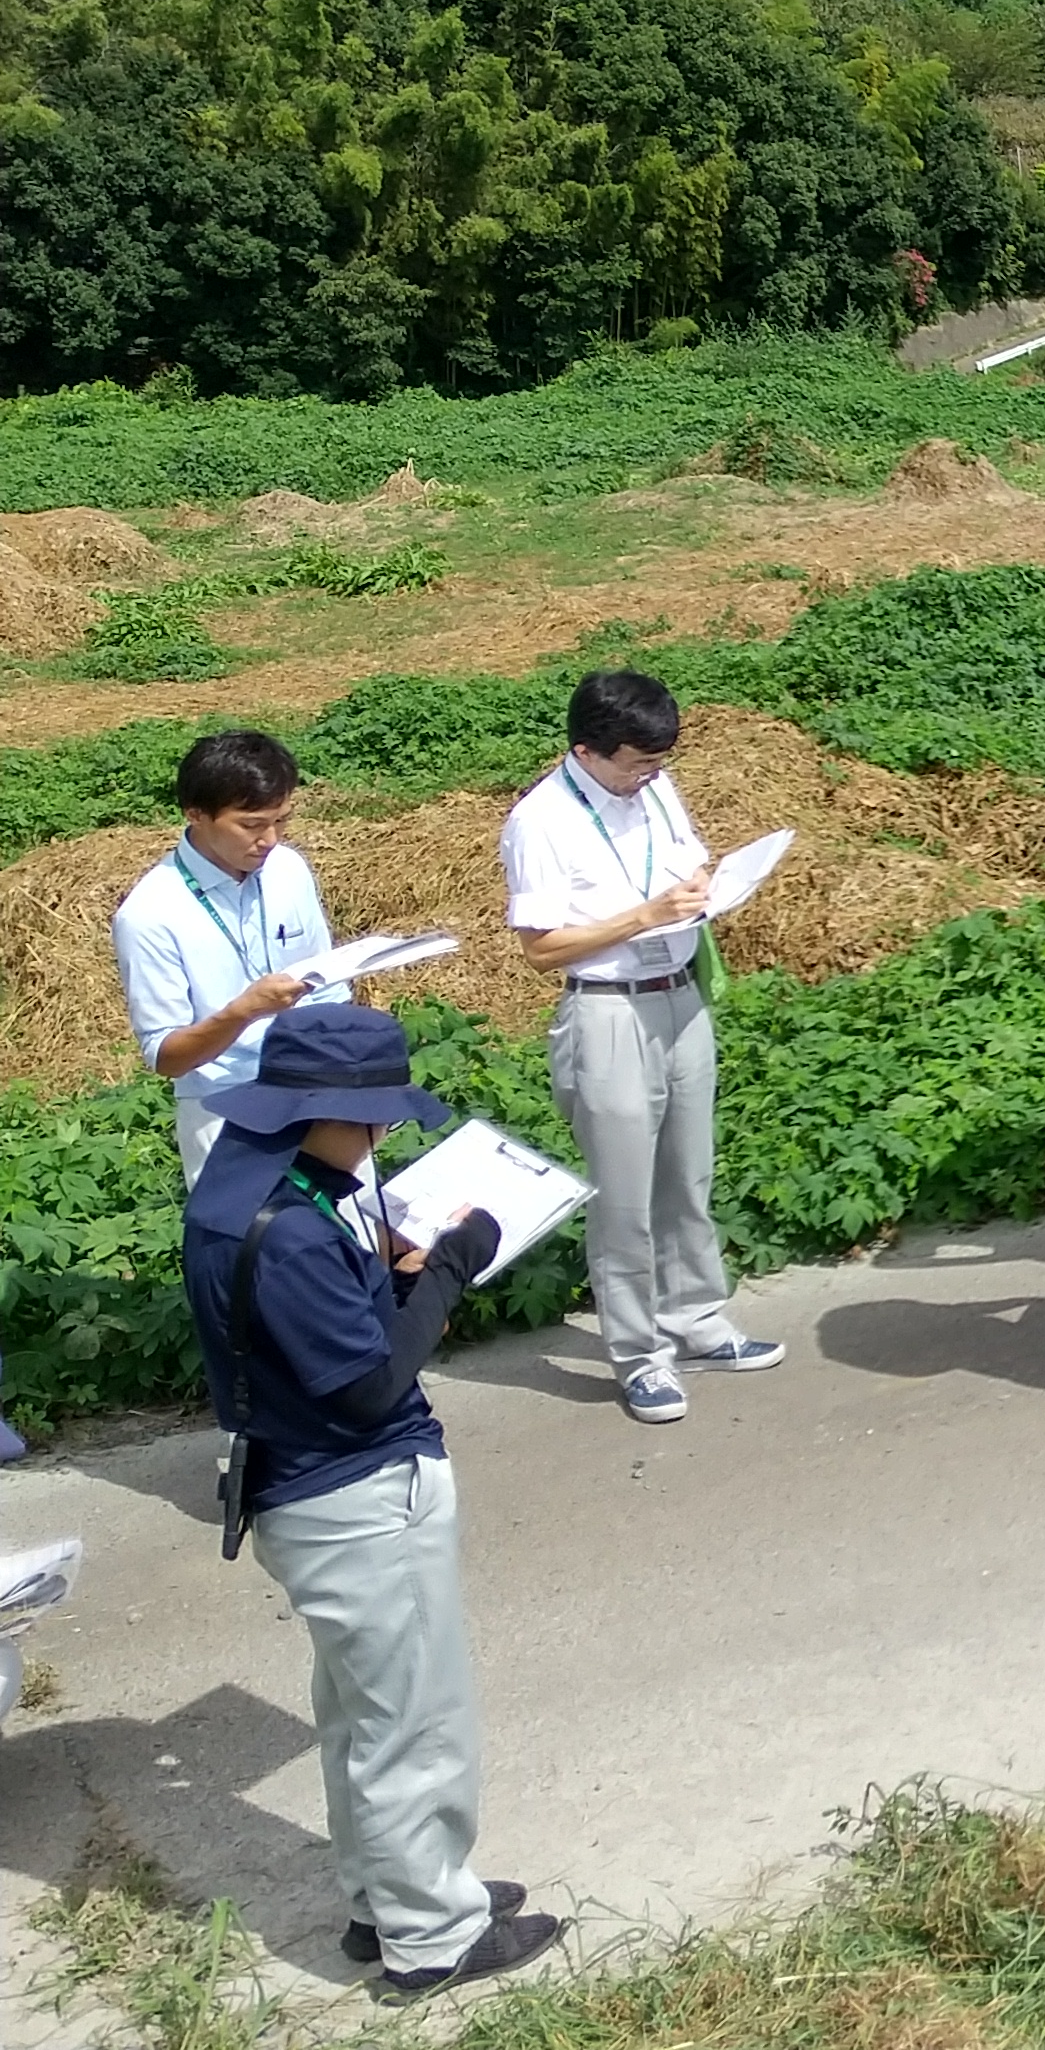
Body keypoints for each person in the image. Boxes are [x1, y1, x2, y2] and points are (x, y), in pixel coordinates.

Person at [180, 1006, 560, 2000]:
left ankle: (382, 1899)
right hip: (358, 1498)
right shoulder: (293, 1231)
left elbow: (308, 1318)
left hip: (300, 1495)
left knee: (358, 1715)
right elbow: (365, 1386)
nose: (383, 1138)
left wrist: (386, 1272)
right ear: (320, 1111)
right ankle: (432, 1937)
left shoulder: (244, 1179)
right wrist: (444, 1272)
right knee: (416, 1725)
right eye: (375, 1120)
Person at [500, 670, 780, 1426]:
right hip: (607, 1012)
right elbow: (540, 947)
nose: (649, 776)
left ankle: (698, 1321)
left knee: (687, 1176)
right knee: (624, 1199)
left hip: (679, 997)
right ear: (586, 751)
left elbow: (687, 858)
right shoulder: (542, 822)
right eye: (635, 763)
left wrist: (703, 889)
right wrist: (643, 916)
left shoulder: (656, 787)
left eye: (659, 762)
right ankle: (638, 1356)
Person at [116, 730, 352, 1180]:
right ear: (196, 814)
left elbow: (329, 988)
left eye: (281, 821)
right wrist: (241, 1013)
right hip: (226, 1110)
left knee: (348, 1241)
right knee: (253, 1244)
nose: (270, 839)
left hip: (318, 1089)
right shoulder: (150, 914)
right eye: (251, 825)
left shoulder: (288, 869)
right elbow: (167, 1056)